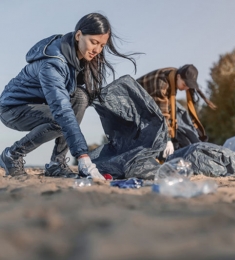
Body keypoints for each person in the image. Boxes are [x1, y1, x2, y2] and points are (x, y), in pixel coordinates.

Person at [0, 13, 137, 178]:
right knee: (61, 118)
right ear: (79, 35)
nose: (97, 50)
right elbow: (61, 108)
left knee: (80, 97)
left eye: (102, 45)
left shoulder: (77, 60)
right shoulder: (53, 64)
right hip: (12, 109)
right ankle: (12, 155)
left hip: (41, 105)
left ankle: (56, 163)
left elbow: (76, 100)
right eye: (94, 42)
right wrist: (82, 155)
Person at [136, 65, 216, 158]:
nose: (186, 88)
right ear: (178, 77)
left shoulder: (174, 75)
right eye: (185, 84)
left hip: (149, 104)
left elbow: (170, 109)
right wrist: (167, 139)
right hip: (135, 105)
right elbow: (162, 114)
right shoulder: (162, 84)